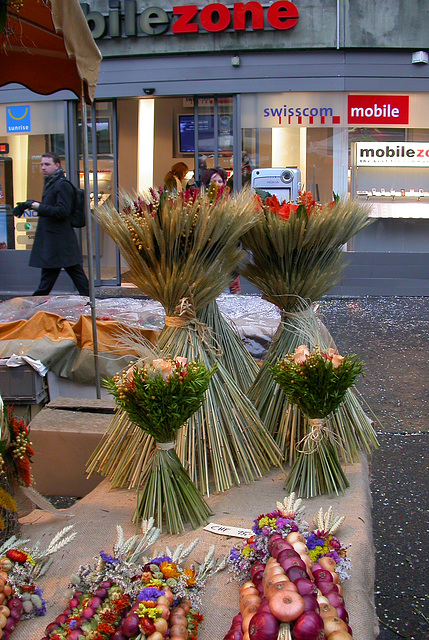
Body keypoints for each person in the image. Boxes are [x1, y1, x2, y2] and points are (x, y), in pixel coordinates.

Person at [13, 152, 90, 297]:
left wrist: (36, 206)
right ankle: (92, 304)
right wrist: (29, 204)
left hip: (59, 242)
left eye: (47, 164)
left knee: (53, 281)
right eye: (42, 164)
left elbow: (62, 211)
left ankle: (34, 309)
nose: (43, 167)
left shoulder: (61, 185)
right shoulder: (53, 183)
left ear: (57, 165)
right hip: (57, 242)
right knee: (61, 278)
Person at [201, 167, 241, 294]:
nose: (217, 184)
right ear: (207, 183)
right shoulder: (201, 203)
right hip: (207, 257)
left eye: (220, 181)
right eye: (214, 181)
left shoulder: (230, 204)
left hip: (225, 255)